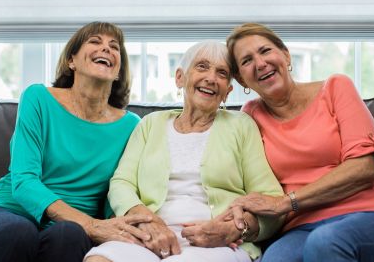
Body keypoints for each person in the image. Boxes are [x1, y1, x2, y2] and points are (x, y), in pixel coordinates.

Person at [223, 23, 374, 262]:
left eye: (265, 51)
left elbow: (364, 167)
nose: (260, 63)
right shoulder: (250, 116)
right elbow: (243, 181)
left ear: (286, 55)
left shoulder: (336, 88)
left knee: (325, 242)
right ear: (241, 80)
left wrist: (285, 202)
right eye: (247, 60)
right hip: (299, 229)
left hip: (371, 216)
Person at [84, 41, 284, 262]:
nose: (211, 78)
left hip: (215, 243)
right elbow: (122, 183)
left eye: (221, 73)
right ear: (180, 77)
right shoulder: (151, 124)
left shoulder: (241, 126)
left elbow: (272, 200)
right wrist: (147, 220)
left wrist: (237, 228)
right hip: (149, 235)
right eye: (202, 67)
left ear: (227, 91)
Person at [0, 22, 153, 262]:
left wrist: (117, 226)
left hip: (73, 227)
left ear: (118, 70)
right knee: (17, 232)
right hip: (9, 209)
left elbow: (116, 189)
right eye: (95, 42)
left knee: (70, 235)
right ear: (71, 61)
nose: (106, 49)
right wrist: (91, 225)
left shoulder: (131, 125)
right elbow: (24, 180)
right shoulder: (38, 98)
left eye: (114, 46)